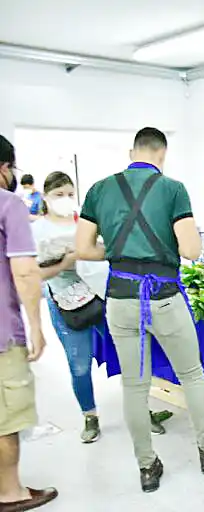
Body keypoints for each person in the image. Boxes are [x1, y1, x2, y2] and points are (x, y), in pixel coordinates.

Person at [75, 128, 204, 493]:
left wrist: (117, 251)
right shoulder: (173, 189)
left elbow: (84, 248)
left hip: (120, 299)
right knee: (192, 375)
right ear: (162, 154)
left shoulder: (99, 189)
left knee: (134, 386)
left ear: (132, 153)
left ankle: (147, 467)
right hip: (164, 297)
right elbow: (191, 250)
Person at [31, 172, 172, 444]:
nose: (65, 199)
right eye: (58, 195)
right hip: (67, 303)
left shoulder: (84, 222)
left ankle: (141, 412)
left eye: (70, 194)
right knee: (79, 365)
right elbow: (34, 274)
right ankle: (90, 416)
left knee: (130, 356)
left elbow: (110, 249)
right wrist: (64, 263)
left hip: (104, 295)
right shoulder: (38, 231)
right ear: (45, 197)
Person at [0, 135, 58, 510]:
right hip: (2, 336)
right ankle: (9, 492)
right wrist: (36, 327)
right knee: (7, 417)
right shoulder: (9, 205)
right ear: (4, 168)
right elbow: (24, 272)